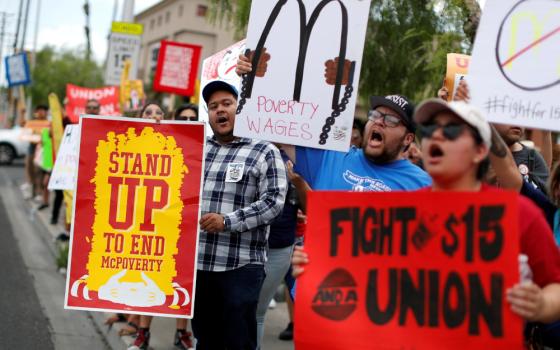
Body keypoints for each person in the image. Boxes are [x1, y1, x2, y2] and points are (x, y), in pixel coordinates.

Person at [293, 100, 560, 341]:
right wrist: (317, 264)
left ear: (480, 151)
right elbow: (369, 275)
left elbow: (555, 289)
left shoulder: (520, 216)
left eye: (451, 131)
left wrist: (540, 306)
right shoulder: (402, 209)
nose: (436, 137)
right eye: (432, 130)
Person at [236, 53, 431, 194]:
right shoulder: (331, 157)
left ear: (408, 138)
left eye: (390, 120)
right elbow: (268, 124)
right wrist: (252, 80)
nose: (379, 122)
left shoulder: (423, 184)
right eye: (375, 115)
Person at [191, 80, 287, 350]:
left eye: (226, 104)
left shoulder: (263, 150)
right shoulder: (197, 149)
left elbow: (274, 202)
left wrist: (227, 222)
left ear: (240, 107)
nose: (219, 110)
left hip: (241, 267)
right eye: (212, 106)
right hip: (199, 264)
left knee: (237, 342)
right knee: (205, 339)